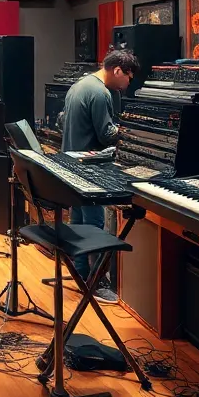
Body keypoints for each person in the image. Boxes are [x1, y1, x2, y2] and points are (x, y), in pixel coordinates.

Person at [56, 49, 139, 302]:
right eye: (128, 78)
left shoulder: (78, 85)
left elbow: (62, 122)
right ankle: (97, 280)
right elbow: (105, 135)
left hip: (71, 166)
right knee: (94, 226)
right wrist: (130, 131)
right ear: (118, 70)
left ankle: (81, 274)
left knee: (78, 223)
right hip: (90, 170)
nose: (127, 84)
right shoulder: (101, 93)